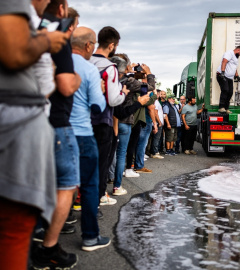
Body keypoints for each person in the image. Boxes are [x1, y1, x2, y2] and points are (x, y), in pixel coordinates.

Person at [0, 0, 68, 269]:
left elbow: (43, 86)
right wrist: (46, 41)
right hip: (14, 129)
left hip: (20, 124)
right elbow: (14, 52)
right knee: (13, 231)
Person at [31, 0, 82, 269]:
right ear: (61, 10)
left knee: (33, 186)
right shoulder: (57, 35)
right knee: (67, 184)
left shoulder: (26, 29)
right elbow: (64, 84)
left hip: (29, 123)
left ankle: (31, 240)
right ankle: (48, 247)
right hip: (56, 122)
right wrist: (77, 78)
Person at [69, 26, 112, 250]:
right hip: (82, 134)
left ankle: (52, 231)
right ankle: (90, 236)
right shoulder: (88, 69)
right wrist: (101, 88)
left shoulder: (55, 63)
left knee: (60, 184)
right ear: (87, 45)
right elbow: (98, 105)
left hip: (54, 132)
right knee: (89, 185)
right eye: (93, 44)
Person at [90, 26, 128, 203]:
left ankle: (77, 201)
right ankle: (96, 201)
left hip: (82, 118)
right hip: (102, 119)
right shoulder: (110, 67)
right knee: (100, 164)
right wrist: (123, 93)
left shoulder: (85, 61)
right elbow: (113, 99)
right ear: (112, 45)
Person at [111, 55, 150, 195]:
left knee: (110, 153)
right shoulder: (129, 81)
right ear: (127, 67)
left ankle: (108, 180)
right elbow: (148, 89)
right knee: (121, 153)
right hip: (125, 120)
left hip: (112, 118)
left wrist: (129, 70)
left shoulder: (112, 79)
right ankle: (117, 186)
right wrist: (149, 73)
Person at [217, 45, 240, 114]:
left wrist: (237, 76)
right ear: (238, 50)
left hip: (229, 78)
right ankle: (221, 107)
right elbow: (224, 61)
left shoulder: (235, 58)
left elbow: (234, 67)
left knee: (230, 92)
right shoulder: (229, 53)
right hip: (222, 75)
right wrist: (222, 72)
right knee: (225, 90)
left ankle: (226, 108)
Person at [150, 89, 164, 159]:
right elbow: (155, 113)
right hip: (157, 123)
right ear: (158, 94)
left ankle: (154, 151)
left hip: (157, 123)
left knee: (156, 138)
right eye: (160, 94)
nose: (161, 95)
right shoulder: (155, 102)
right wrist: (159, 122)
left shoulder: (157, 102)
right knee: (156, 138)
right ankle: (155, 152)